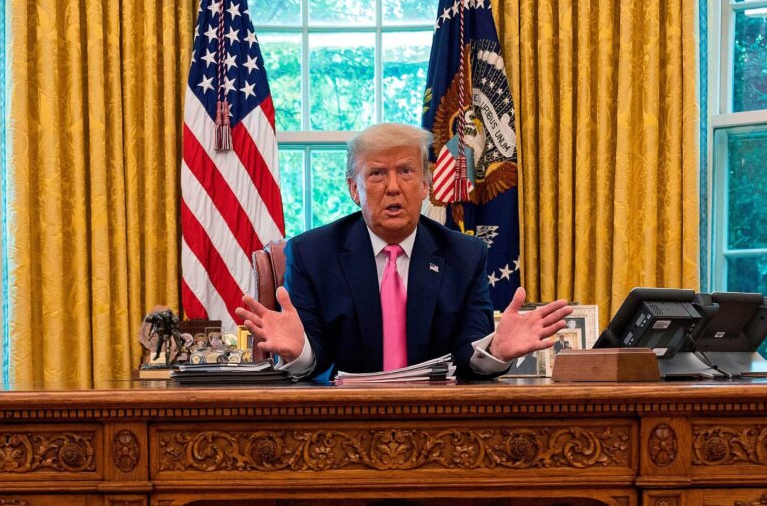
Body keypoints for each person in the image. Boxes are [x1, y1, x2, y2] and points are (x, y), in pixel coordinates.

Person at [233, 122, 570, 378]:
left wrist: (496, 349)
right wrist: (300, 351)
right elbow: (314, 360)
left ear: (425, 184)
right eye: (377, 174)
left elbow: (469, 356)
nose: (393, 187)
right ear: (354, 188)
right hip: (341, 423)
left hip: (437, 425)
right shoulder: (312, 253)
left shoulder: (464, 256)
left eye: (406, 172)